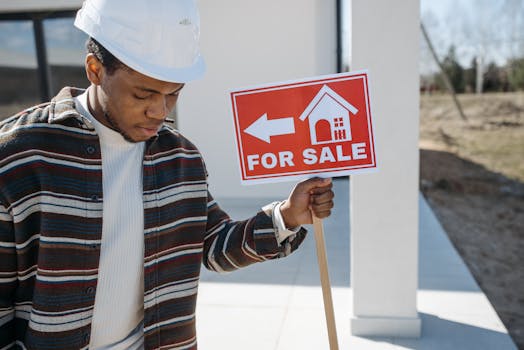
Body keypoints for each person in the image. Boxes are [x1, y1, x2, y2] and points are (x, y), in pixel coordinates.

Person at [0, 0, 334, 349]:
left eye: (173, 94)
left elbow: (214, 246)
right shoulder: (18, 155)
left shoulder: (181, 157)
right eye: (143, 94)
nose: (159, 111)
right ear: (95, 69)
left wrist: (286, 217)